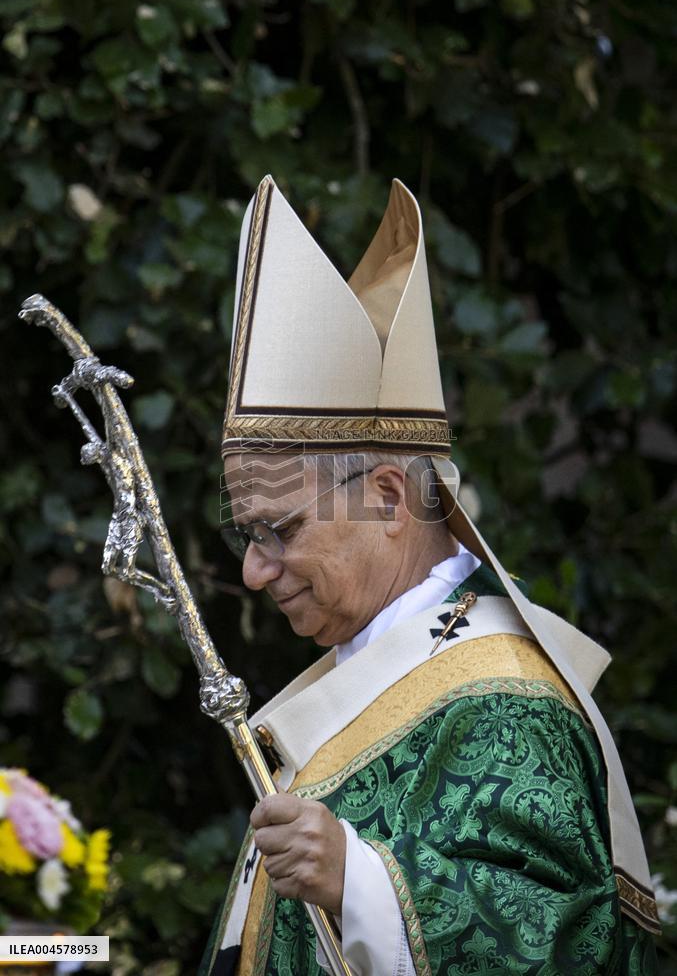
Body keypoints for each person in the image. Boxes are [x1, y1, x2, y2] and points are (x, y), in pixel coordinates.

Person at [199, 176, 659, 975]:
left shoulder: (506, 702)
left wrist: (362, 885)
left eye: (277, 529)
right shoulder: (362, 671)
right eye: (246, 533)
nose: (251, 569)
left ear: (385, 497)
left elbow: (567, 948)